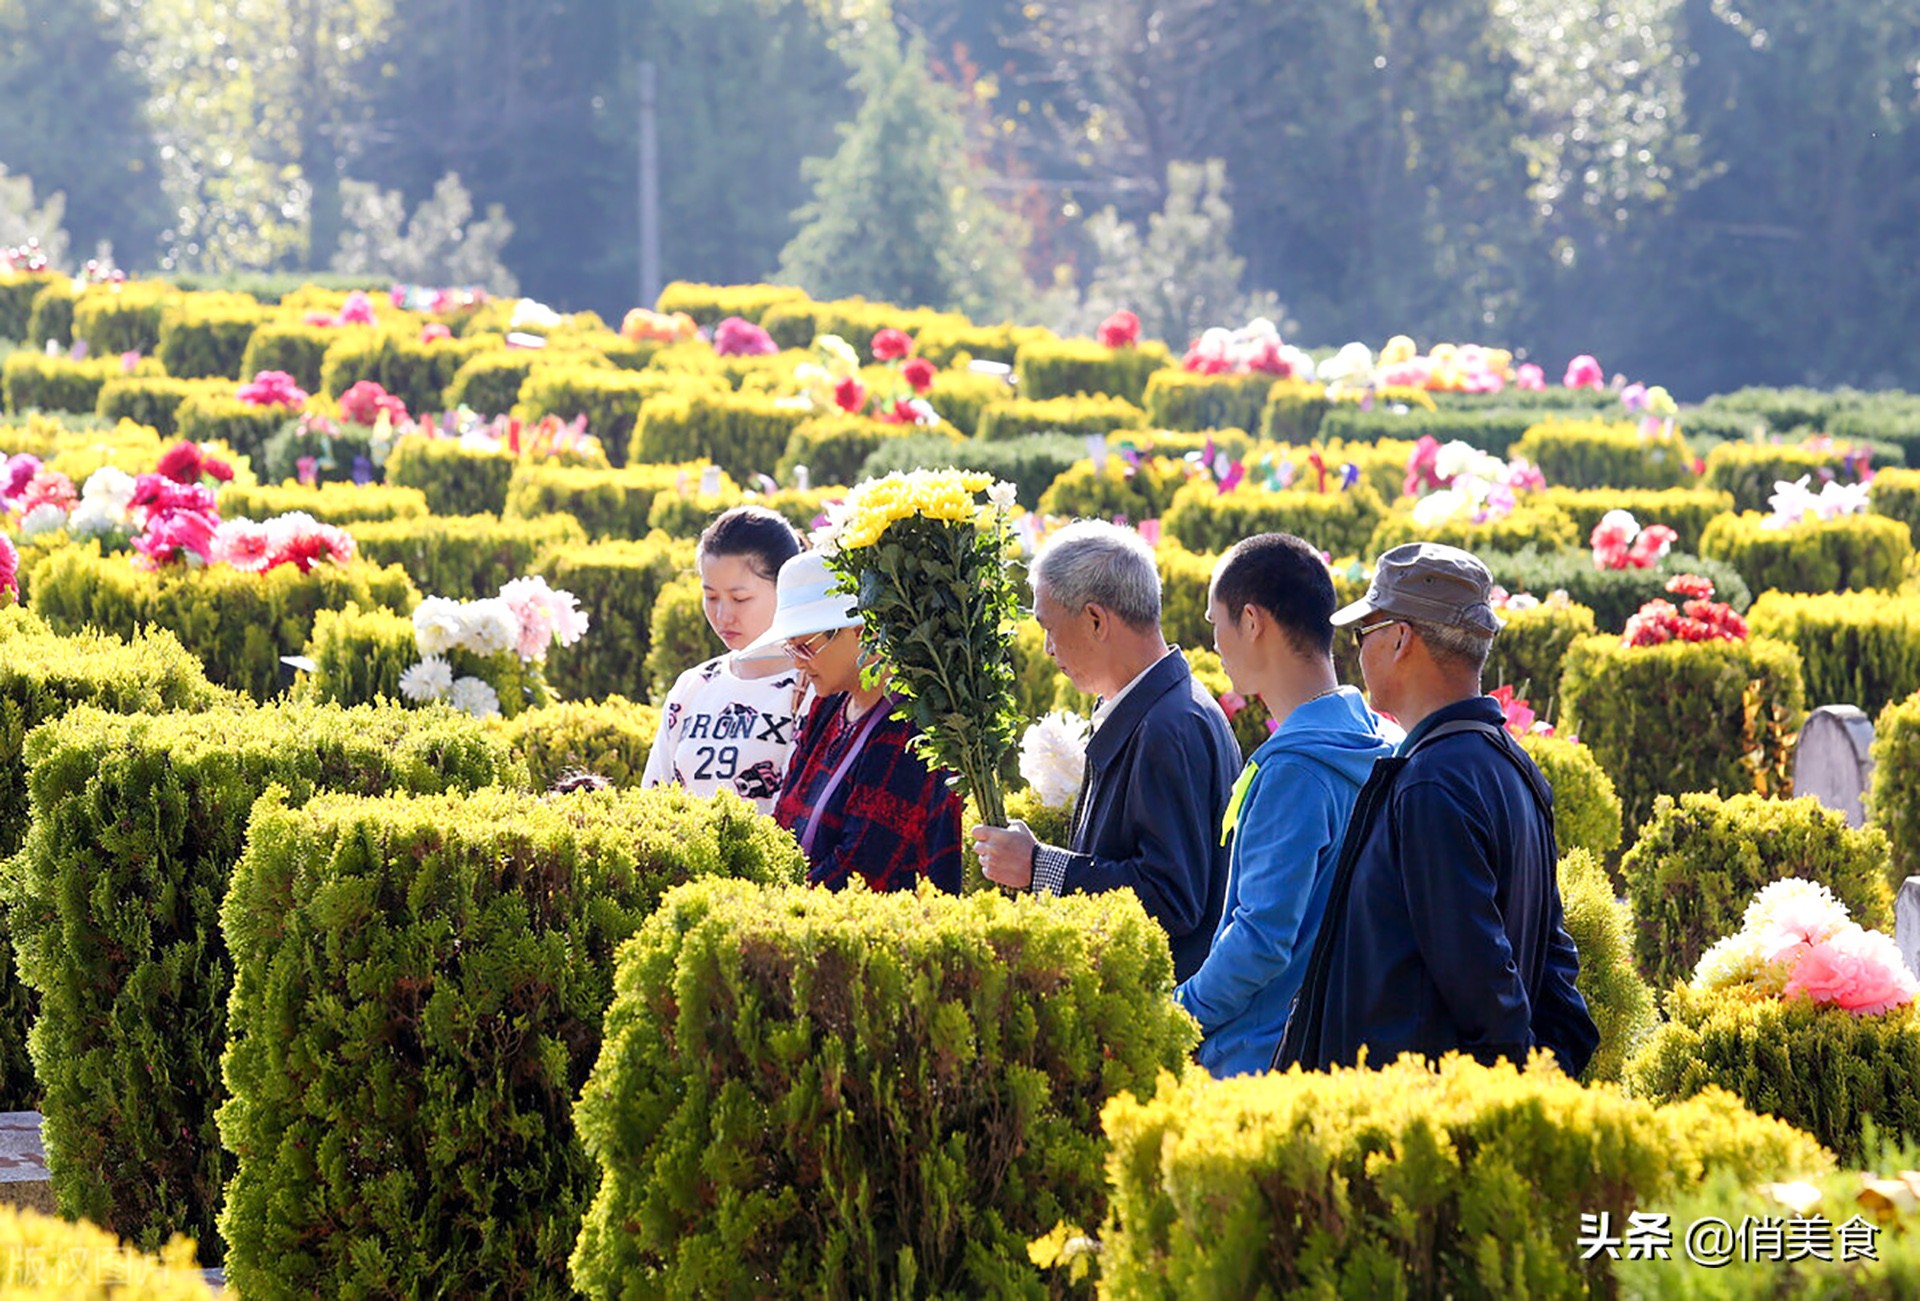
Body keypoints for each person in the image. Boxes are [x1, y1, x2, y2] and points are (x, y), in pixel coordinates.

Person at [1274, 542, 1599, 1076]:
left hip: (1418, 1111)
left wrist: (1514, 1094)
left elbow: (1484, 989)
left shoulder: (1433, 782)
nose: (1359, 652)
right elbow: (1552, 973)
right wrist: (1546, 1077)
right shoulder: (1509, 765)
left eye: (1364, 633)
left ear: (1400, 638)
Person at [971, 520, 1238, 983]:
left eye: (1049, 628)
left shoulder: (1169, 726)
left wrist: (1038, 866)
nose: (1048, 649)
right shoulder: (1159, 707)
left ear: (1095, 620)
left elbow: (1172, 899)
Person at [1172, 534, 1398, 1077]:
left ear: (1252, 621)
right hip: (1339, 1050)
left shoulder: (1294, 771)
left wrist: (1177, 1016)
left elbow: (1260, 941)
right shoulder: (1382, 739)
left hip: (1257, 1063)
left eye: (1216, 623)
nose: (1215, 644)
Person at [743, 550, 963, 894]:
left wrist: (772, 900)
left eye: (804, 647)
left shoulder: (911, 729)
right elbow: (784, 817)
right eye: (791, 649)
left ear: (860, 631)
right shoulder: (828, 705)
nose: (798, 663)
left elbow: (861, 872)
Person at [643, 506, 807, 814]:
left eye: (739, 598)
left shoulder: (813, 686)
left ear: (786, 588)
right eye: (711, 597)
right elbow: (652, 803)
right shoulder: (692, 686)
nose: (722, 615)